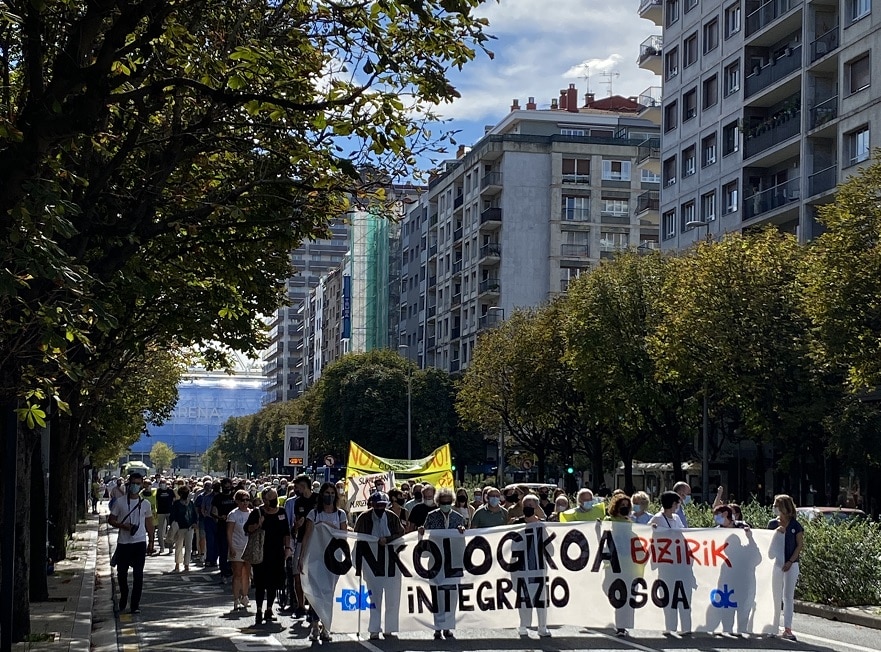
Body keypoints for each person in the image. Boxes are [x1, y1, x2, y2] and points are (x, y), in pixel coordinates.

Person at [299, 482, 348, 642]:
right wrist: (301, 558)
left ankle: (326, 626)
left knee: (329, 593)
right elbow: (306, 536)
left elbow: (343, 535)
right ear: (322, 495)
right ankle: (314, 624)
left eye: (332, 493)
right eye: (327, 493)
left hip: (332, 560)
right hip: (315, 559)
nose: (330, 496)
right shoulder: (314, 514)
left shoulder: (340, 515)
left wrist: (328, 527)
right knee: (315, 593)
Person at [354, 492, 405, 640]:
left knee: (392, 597)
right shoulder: (363, 518)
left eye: (383, 505)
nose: (380, 508)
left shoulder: (392, 517)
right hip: (372, 564)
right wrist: (358, 565)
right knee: (374, 598)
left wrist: (388, 539)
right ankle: (374, 629)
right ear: (372, 505)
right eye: (377, 505)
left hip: (391, 564)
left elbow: (401, 534)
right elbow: (357, 539)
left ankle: (389, 628)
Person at [419, 488, 466, 640]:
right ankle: (438, 628)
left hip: (453, 563)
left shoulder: (458, 518)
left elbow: (464, 540)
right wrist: (421, 532)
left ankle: (448, 627)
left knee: (452, 597)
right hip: (436, 563)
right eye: (442, 502)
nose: (445, 505)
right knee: (437, 597)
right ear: (438, 502)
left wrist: (462, 531)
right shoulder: (431, 517)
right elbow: (425, 535)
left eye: (448, 502)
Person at [108, 471, 155, 614]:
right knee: (121, 574)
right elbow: (111, 520)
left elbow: (149, 523)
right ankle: (124, 595)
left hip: (139, 542)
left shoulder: (145, 504)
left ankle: (135, 604)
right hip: (124, 543)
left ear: (142, 485)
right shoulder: (120, 502)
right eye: (133, 483)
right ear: (129, 484)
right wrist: (123, 526)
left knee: (138, 575)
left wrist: (151, 542)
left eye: (138, 484)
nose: (135, 486)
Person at [246, 488, 292, 626]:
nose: (273, 501)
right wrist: (257, 524)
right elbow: (247, 529)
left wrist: (287, 548)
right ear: (264, 500)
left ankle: (269, 609)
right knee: (260, 583)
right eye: (270, 498)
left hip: (277, 552)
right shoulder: (257, 512)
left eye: (275, 497)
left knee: (274, 583)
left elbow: (286, 532)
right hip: (261, 552)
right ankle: (259, 609)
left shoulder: (282, 512)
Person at [512, 494, 551, 638]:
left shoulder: (543, 526)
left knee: (541, 598)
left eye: (531, 506)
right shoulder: (517, 524)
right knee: (523, 598)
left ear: (536, 507)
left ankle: (542, 627)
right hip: (521, 566)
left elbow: (551, 547)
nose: (528, 508)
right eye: (525, 506)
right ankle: (523, 625)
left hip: (539, 566)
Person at [769, 494, 803, 641]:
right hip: (775, 565)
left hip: (791, 565)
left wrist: (790, 561)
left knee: (788, 597)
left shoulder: (796, 525)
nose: (774, 508)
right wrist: (777, 532)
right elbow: (767, 543)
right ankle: (772, 626)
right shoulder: (772, 524)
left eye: (777, 505)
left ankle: (787, 628)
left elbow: (799, 545)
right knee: (774, 596)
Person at [290, 474, 317, 618]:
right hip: (301, 540)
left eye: (298, 486)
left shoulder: (317, 499)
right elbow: (296, 521)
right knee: (297, 573)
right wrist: (297, 525)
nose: (296, 489)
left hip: (316, 541)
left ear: (304, 486)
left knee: (313, 575)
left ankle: (313, 606)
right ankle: (300, 605)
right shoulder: (298, 502)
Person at [227, 489, 253, 611]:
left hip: (248, 547)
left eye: (247, 500)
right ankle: (236, 598)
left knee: (246, 574)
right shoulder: (233, 515)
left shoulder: (252, 513)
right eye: (242, 500)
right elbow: (229, 532)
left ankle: (245, 596)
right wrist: (231, 547)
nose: (245, 502)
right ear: (237, 501)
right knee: (237, 574)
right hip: (236, 547)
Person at [211, 478, 237, 584]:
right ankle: (223, 572)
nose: (227, 487)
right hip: (222, 527)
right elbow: (212, 512)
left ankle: (232, 570)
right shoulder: (218, 498)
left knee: (235, 550)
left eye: (229, 485)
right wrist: (219, 517)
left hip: (236, 528)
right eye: (225, 486)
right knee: (223, 551)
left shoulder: (235, 497)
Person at [169, 484, 198, 572]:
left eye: (187, 492)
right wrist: (173, 525)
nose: (186, 494)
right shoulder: (177, 504)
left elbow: (194, 514)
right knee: (178, 546)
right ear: (180, 494)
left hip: (189, 527)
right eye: (184, 493)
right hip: (180, 528)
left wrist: (194, 523)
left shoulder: (191, 503)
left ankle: (186, 564)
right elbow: (173, 516)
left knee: (188, 547)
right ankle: (177, 564)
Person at [154, 478, 175, 555]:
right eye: (161, 483)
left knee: (171, 529)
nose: (162, 484)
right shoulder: (158, 491)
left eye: (164, 483)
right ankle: (161, 547)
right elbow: (155, 500)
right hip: (160, 512)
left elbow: (174, 500)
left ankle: (170, 546)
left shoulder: (170, 491)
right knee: (160, 530)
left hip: (169, 512)